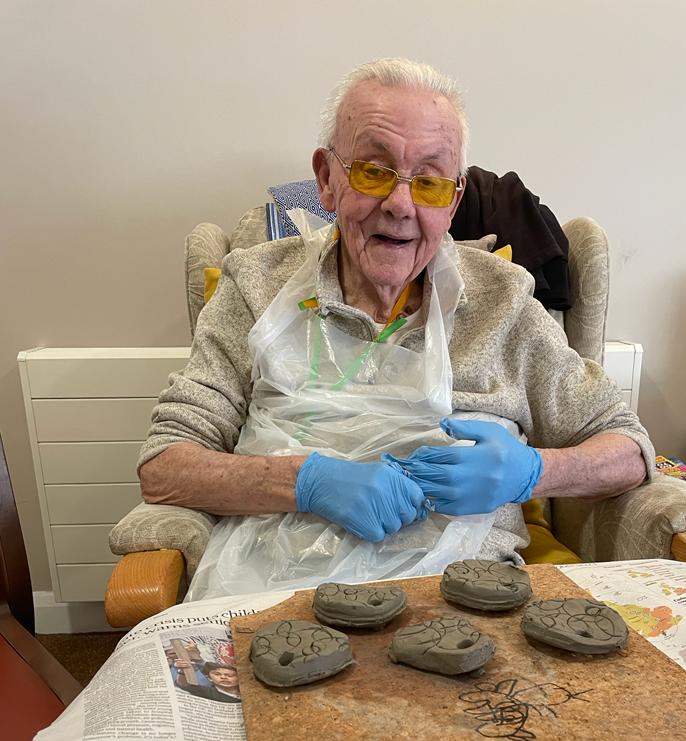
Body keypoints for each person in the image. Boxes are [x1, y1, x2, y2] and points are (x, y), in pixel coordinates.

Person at [138, 57, 654, 600]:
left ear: (453, 201)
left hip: (463, 603)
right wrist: (306, 482)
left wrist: (529, 473)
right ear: (326, 180)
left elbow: (627, 447)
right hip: (271, 594)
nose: (400, 205)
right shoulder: (256, 285)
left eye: (429, 182)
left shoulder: (503, 301)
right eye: (374, 171)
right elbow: (165, 464)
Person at [175, 663, 241, 703]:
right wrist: (182, 671)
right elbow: (183, 685)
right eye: (217, 674)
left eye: (230, 675)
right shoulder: (206, 692)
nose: (223, 677)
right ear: (209, 678)